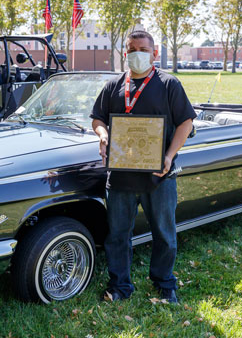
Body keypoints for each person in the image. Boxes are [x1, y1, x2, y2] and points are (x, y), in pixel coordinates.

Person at [90, 30, 196, 304]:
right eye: (131, 48)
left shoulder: (169, 84)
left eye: (142, 49)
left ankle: (165, 284)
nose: (136, 53)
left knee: (164, 234)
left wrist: (170, 155)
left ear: (154, 53)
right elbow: (97, 118)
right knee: (117, 236)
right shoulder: (113, 85)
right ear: (125, 52)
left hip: (158, 176)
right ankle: (119, 286)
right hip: (121, 177)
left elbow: (186, 122)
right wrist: (103, 135)